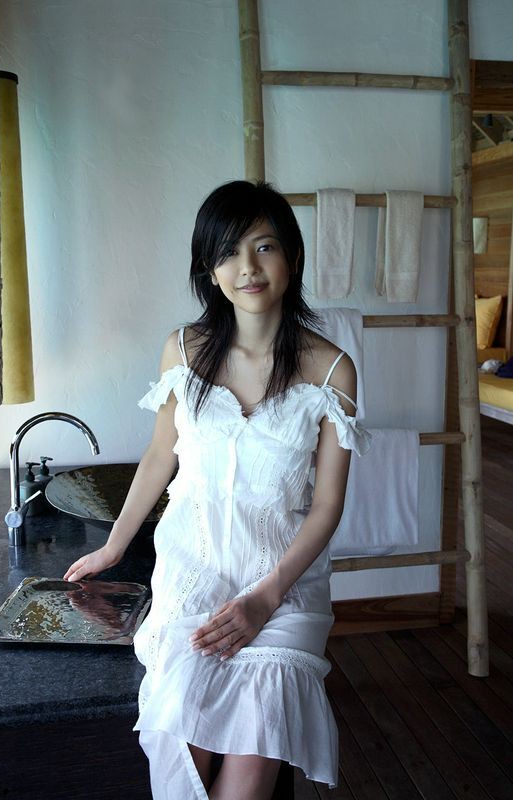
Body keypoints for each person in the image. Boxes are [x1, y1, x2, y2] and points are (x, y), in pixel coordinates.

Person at [63, 180, 372, 800]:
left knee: (257, 743)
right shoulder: (183, 350)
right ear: (209, 268)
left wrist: (265, 598)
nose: (247, 267)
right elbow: (160, 456)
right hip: (194, 574)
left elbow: (328, 504)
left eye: (264, 247)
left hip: (283, 588)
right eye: (228, 252)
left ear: (292, 257)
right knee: (183, 736)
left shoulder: (332, 369)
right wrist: (114, 547)